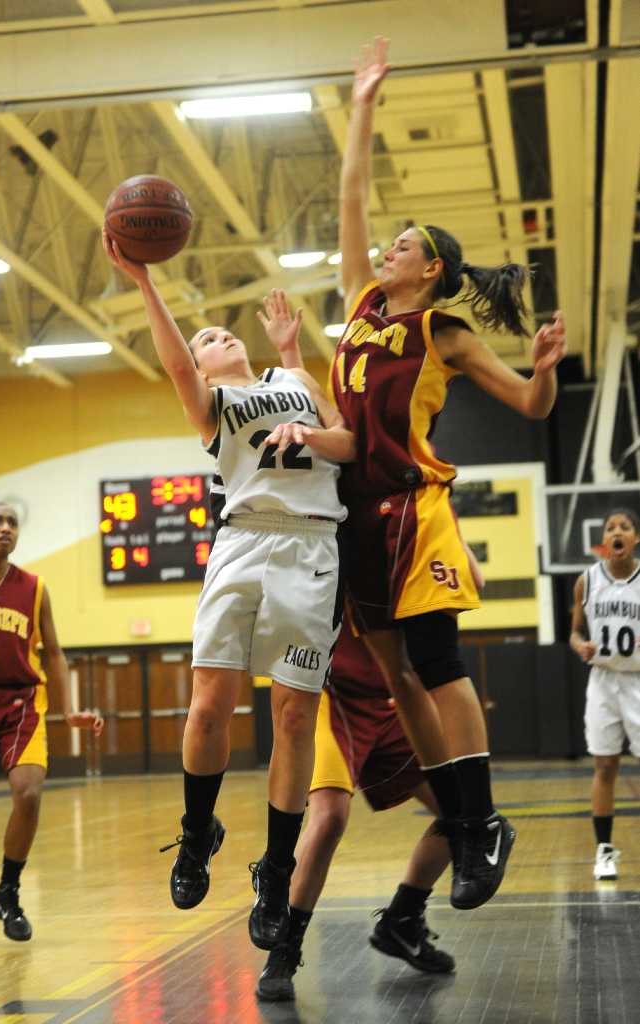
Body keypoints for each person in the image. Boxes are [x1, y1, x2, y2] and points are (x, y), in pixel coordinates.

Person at [331, 36, 567, 911]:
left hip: (412, 509)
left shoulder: (444, 334)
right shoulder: (361, 307)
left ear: (430, 269)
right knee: (395, 679)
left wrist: (542, 366)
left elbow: (533, 408)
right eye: (386, 244)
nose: (384, 249)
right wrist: (361, 105)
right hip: (353, 518)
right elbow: (350, 197)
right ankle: (470, 825)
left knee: (433, 660)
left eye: (402, 246)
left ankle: (481, 818)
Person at [103, 233, 355, 951]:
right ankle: (195, 834)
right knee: (209, 703)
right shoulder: (216, 402)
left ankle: (276, 870)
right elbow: (176, 361)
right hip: (241, 541)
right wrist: (145, 282)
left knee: (293, 720)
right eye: (204, 339)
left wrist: (299, 373)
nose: (213, 337)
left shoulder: (300, 384)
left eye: (219, 332)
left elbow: (346, 444)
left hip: (311, 545)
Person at [255, 605, 454, 1002]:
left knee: (463, 815)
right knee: (329, 816)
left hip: (391, 695)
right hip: (333, 693)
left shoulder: (414, 548)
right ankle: (284, 948)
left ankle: (403, 918)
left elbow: (466, 583)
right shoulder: (335, 545)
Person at [0, 502, 103, 949]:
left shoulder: (36, 588)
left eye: (12, 522)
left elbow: (55, 652)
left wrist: (68, 709)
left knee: (28, 792)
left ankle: (8, 891)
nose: (5, 528)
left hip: (22, 702)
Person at [570, 507, 640, 881]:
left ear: (635, 538)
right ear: (604, 540)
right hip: (603, 681)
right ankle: (604, 851)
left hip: (639, 681)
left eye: (625, 527)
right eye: (611, 526)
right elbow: (575, 632)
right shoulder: (586, 580)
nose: (618, 531)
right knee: (605, 765)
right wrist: (580, 645)